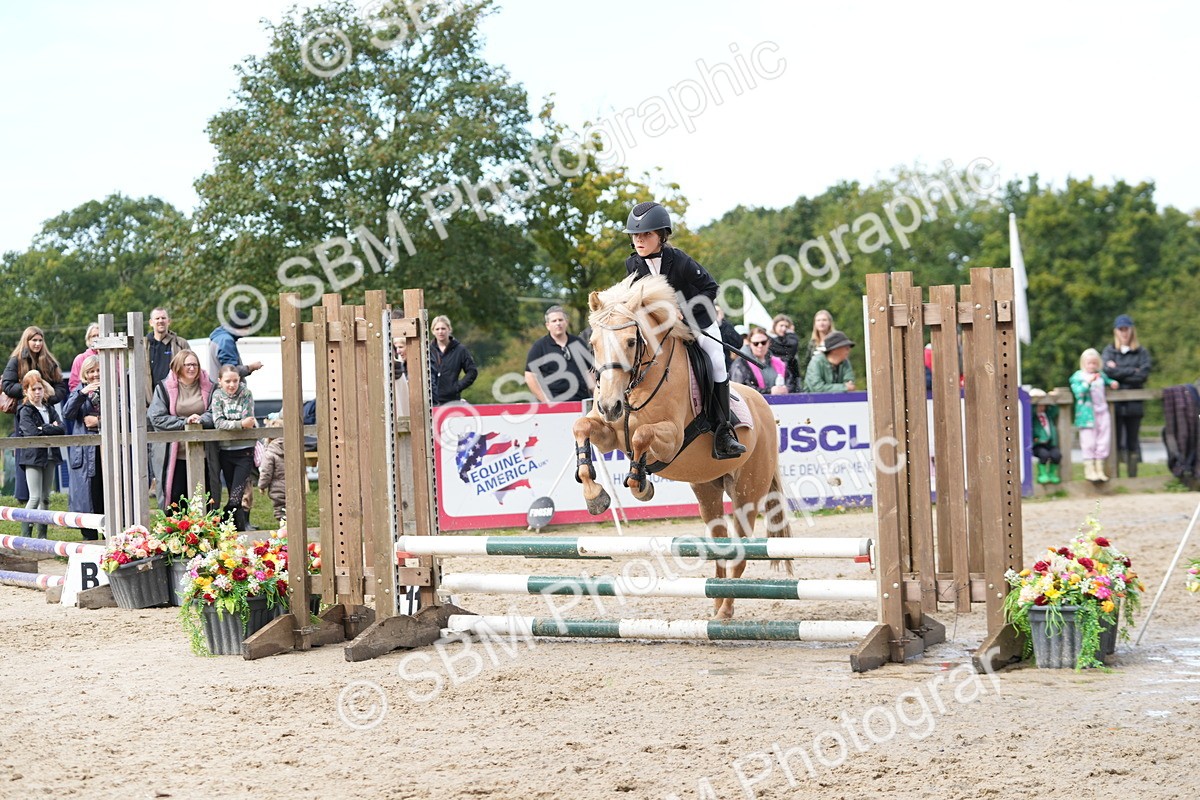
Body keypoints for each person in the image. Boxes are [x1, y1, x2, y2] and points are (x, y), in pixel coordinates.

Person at [623, 200, 745, 459]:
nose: (639, 240)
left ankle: (723, 430)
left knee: (716, 361)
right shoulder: (632, 265)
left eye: (647, 234)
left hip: (697, 321)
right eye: (636, 235)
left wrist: (684, 310)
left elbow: (711, 289)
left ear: (661, 236)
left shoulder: (679, 260)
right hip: (663, 328)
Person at [149, 350, 221, 513]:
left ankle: (206, 533)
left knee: (206, 497)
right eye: (188, 364)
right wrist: (184, 422)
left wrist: (201, 420)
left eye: (195, 364)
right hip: (174, 455)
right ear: (178, 366)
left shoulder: (210, 387)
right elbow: (156, 417)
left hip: (204, 453)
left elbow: (216, 412)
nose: (192, 368)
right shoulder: (163, 388)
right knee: (176, 499)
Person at [4, 327, 69, 505]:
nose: (37, 344)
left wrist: (47, 396)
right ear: (27, 341)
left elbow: (61, 387)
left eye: (40, 340)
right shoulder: (16, 360)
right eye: (34, 340)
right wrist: (29, 391)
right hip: (25, 411)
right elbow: (7, 386)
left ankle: (41, 499)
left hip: (46, 410)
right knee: (27, 451)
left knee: (48, 452)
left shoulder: (49, 360)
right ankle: (24, 496)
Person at [145, 307, 191, 497]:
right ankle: (155, 482)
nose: (160, 321)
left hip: (175, 404)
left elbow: (191, 368)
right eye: (157, 318)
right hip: (149, 404)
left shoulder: (180, 344)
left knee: (176, 448)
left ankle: (177, 488)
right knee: (151, 448)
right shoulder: (143, 345)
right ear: (151, 322)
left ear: (169, 321)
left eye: (164, 318)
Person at [14, 371, 65, 539]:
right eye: (33, 389)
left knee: (46, 498)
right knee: (34, 497)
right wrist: (49, 427)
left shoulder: (49, 408)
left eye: (40, 388)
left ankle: (42, 536)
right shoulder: (25, 410)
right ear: (26, 391)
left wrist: (45, 428)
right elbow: (31, 432)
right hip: (33, 457)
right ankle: (25, 535)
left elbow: (62, 429)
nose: (37, 392)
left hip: (51, 455)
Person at [1102, 314, 1152, 477]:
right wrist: (1132, 370)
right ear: (1116, 331)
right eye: (1121, 329)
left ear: (1132, 330)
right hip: (1114, 404)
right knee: (1115, 441)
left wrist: (1119, 372)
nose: (1124, 332)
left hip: (1134, 403)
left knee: (1132, 440)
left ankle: (1132, 476)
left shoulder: (1141, 351)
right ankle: (1115, 476)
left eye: (1126, 329)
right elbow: (1107, 372)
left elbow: (1143, 375)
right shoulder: (1110, 351)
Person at [210, 364, 257, 530]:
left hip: (244, 451)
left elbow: (248, 420)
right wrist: (239, 424)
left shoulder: (246, 394)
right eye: (228, 381)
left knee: (237, 494)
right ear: (220, 381)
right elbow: (218, 422)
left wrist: (234, 423)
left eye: (235, 381)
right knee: (232, 492)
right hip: (225, 450)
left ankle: (223, 520)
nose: (232, 385)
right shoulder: (217, 396)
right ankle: (239, 529)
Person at [62, 355, 105, 540]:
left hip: (106, 449)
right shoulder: (79, 391)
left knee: (106, 492)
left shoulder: (113, 389)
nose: (95, 374)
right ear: (84, 374)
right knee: (88, 495)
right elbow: (67, 413)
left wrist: (99, 421)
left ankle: (110, 534)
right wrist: (81, 394)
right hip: (85, 453)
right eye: (91, 371)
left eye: (97, 370)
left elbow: (123, 414)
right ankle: (89, 537)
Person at [524, 305, 593, 404]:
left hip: (581, 402)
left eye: (560, 320)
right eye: (554, 321)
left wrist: (596, 396)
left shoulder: (578, 343)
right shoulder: (539, 346)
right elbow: (530, 376)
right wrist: (545, 400)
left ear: (566, 322)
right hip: (554, 405)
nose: (558, 323)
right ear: (547, 325)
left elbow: (589, 372)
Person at [1070, 348, 1119, 482]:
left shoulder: (1101, 375)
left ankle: (1099, 469)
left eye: (1094, 363)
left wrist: (1112, 383)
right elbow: (1078, 393)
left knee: (1103, 440)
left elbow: (1107, 380)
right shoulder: (1078, 377)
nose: (1092, 366)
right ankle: (1089, 469)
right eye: (1089, 363)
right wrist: (1088, 382)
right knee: (1089, 441)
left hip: (1102, 411)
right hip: (1087, 414)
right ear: (1083, 363)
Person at [428, 315, 477, 404]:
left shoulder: (460, 350)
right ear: (432, 331)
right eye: (437, 329)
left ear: (449, 329)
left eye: (443, 328)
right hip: (431, 401)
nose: (440, 332)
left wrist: (457, 387)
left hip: (452, 400)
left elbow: (472, 371)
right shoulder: (427, 350)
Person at [207, 310, 263, 386]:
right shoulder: (226, 341)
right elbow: (231, 370)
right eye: (246, 329)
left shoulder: (219, 337)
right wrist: (251, 367)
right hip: (227, 392)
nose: (247, 332)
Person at [730, 328, 789, 396]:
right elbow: (741, 389)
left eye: (763, 342)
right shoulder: (741, 363)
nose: (760, 346)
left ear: (769, 343)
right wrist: (769, 391)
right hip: (753, 404)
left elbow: (791, 382)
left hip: (781, 403)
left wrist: (787, 389)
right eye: (756, 343)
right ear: (750, 344)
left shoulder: (779, 362)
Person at [257, 415, 287, 522]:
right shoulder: (292, 449)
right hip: (294, 487)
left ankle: (285, 534)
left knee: (280, 513)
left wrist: (262, 485)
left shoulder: (270, 452)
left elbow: (266, 472)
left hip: (277, 489)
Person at [1029, 392, 1062, 485]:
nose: (1041, 408)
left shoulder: (1048, 415)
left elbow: (1055, 409)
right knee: (1044, 455)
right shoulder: (1033, 417)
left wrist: (1052, 398)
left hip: (1050, 443)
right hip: (1038, 443)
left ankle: (1051, 474)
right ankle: (1042, 475)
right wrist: (1036, 399)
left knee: (1057, 455)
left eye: (1043, 406)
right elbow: (1030, 410)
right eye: (1039, 406)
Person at [768, 313, 802, 392]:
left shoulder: (787, 339)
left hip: (791, 375)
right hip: (776, 374)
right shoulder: (769, 340)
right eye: (781, 325)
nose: (784, 329)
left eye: (786, 326)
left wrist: (790, 334)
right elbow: (788, 350)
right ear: (775, 326)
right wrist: (791, 334)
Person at [68, 323, 100, 393]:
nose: (97, 338)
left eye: (99, 335)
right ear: (88, 339)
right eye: (94, 336)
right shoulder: (80, 359)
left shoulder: (113, 358)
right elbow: (74, 385)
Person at [803, 309, 835, 376]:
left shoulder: (836, 340)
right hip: (815, 377)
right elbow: (807, 363)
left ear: (829, 322)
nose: (821, 323)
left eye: (824, 320)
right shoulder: (812, 343)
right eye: (818, 320)